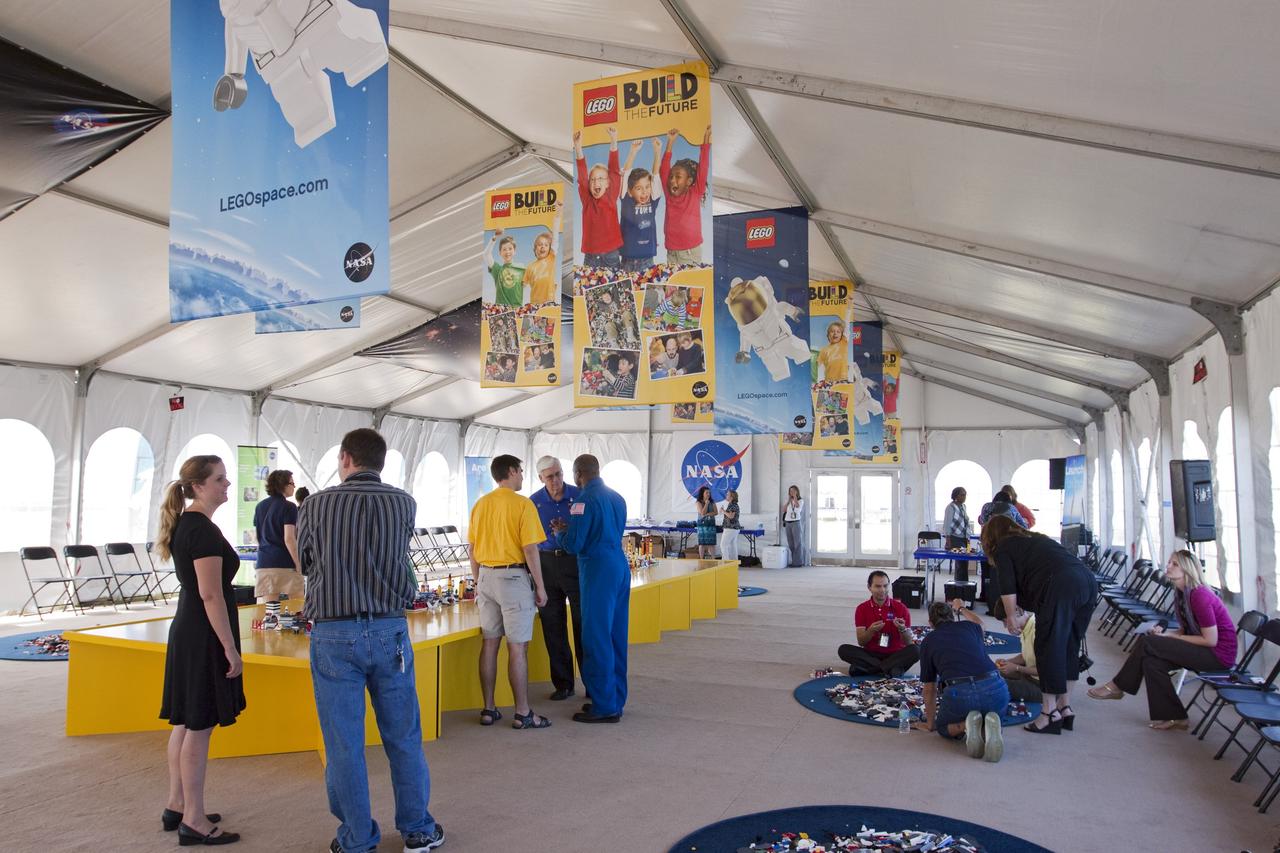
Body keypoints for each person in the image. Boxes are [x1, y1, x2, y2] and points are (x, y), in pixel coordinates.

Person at [298, 429, 444, 853]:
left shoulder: (314, 504)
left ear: (345, 458)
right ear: (381, 461)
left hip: (333, 631)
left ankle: (357, 838)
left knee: (343, 743)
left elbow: (306, 562)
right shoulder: (404, 502)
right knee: (403, 735)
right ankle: (417, 828)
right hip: (388, 628)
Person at [157, 455, 245, 846]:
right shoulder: (202, 531)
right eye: (220, 479)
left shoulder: (188, 524)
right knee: (199, 725)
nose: (227, 485)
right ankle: (193, 819)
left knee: (185, 721)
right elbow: (211, 595)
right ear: (197, 486)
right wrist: (229, 647)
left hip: (188, 629)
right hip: (203, 634)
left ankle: (177, 804)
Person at [1088, 550, 1237, 730]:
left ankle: (1117, 686)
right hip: (1204, 648)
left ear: (1187, 569)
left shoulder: (1200, 595)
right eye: (1169, 562)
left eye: (1175, 564)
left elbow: (1210, 640)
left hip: (1218, 655)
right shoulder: (1181, 594)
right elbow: (1186, 630)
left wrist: (1170, 638)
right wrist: (1166, 635)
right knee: (1152, 662)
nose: (1168, 566)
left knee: (1148, 643)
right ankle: (1175, 717)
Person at [983, 515, 1098, 734]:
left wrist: (1012, 617)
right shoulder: (1036, 539)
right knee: (1069, 646)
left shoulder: (1003, 548)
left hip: (1059, 586)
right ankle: (1065, 708)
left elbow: (1007, 587)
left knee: (1048, 648)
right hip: (1087, 581)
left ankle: (1049, 713)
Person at [467, 454, 551, 730]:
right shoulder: (523, 504)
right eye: (521, 471)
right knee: (517, 647)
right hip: (513, 578)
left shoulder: (481, 504)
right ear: (512, 471)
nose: (523, 476)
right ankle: (523, 712)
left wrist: (478, 582)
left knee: (490, 642)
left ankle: (489, 708)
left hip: (486, 577)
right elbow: (530, 549)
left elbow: (472, 549)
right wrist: (540, 586)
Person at [551, 454, 630, 723]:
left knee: (596, 636)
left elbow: (574, 545)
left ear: (577, 474)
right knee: (616, 635)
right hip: (618, 564)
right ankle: (615, 698)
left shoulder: (581, 501)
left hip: (597, 569)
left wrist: (560, 533)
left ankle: (604, 706)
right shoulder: (617, 497)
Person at [914, 600, 1008, 762]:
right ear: (952, 617)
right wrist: (962, 608)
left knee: (942, 727)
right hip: (996, 687)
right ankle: (986, 726)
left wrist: (930, 724)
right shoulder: (971, 627)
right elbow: (981, 623)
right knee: (993, 710)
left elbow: (930, 689)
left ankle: (966, 725)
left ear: (930, 623)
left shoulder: (928, 641)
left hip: (961, 693)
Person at [529, 456, 584, 702]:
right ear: (541, 478)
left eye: (559, 474)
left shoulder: (579, 495)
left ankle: (592, 683)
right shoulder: (533, 502)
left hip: (575, 561)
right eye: (550, 476)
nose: (556, 480)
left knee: (583, 625)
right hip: (546, 563)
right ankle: (563, 684)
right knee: (553, 625)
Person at [838, 570, 920, 677]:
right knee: (843, 650)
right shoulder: (862, 609)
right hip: (871, 654)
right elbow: (861, 642)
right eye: (878, 586)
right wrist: (871, 631)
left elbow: (908, 643)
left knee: (916, 650)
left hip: (895, 654)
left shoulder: (901, 608)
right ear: (869, 587)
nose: (882, 590)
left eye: (885, 586)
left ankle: (872, 669)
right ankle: (889, 669)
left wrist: (902, 629)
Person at [660, 125, 711, 265]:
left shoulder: (695, 192)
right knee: (672, 281)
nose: (672, 180)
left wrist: (706, 140)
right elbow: (663, 170)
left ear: (688, 181)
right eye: (671, 177)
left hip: (689, 252)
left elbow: (703, 168)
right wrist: (670, 142)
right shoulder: (669, 194)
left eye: (678, 177)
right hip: (671, 252)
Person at [574, 127, 623, 268]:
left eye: (601, 178)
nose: (596, 182)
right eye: (593, 179)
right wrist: (578, 147)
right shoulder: (587, 200)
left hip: (611, 255)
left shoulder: (611, 196)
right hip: (591, 257)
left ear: (608, 183)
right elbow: (582, 176)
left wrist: (613, 140)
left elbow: (614, 169)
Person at [252, 469, 303, 603]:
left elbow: (257, 537)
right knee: (296, 607)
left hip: (264, 563)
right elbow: (289, 538)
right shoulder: (289, 507)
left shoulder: (260, 506)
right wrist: (298, 563)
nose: (294, 486)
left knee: (270, 610)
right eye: (292, 483)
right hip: (285, 564)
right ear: (283, 484)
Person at [619, 138, 662, 273]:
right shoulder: (627, 200)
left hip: (647, 260)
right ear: (630, 191)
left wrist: (657, 152)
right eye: (639, 188)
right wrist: (633, 152)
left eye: (647, 187)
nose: (644, 192)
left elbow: (655, 175)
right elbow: (626, 175)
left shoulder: (653, 200)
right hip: (627, 260)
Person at [521, 201, 563, 305]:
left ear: (550, 248)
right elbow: (522, 286)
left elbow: (555, 236)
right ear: (535, 249)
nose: (543, 247)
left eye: (546, 245)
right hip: (534, 304)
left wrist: (558, 215)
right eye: (539, 244)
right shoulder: (530, 267)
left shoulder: (550, 258)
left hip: (549, 302)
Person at [995, 614, 1044, 703]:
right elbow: (1026, 655)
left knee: (994, 685)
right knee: (992, 673)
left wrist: (1016, 667)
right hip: (1029, 676)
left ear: (1017, 611)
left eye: (1006, 621)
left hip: (1043, 688)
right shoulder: (1026, 626)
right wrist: (1007, 662)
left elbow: (1044, 671)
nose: (1005, 626)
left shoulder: (1038, 632)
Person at [486, 230, 526, 308]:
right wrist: (494, 238)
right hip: (500, 310)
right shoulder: (497, 269)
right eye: (504, 249)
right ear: (500, 253)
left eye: (510, 248)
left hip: (516, 309)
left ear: (515, 251)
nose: (507, 252)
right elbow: (486, 255)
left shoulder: (522, 269)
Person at [782, 485, 805, 567]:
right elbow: (784, 510)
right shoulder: (789, 501)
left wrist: (795, 497)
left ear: (797, 491)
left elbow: (798, 507)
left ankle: (798, 563)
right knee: (791, 544)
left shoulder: (800, 500)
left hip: (796, 523)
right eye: (790, 491)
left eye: (793, 491)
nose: (791, 492)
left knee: (797, 543)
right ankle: (794, 561)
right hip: (788, 523)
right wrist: (788, 501)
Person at [693, 486, 718, 559]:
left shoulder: (712, 502)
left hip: (711, 524)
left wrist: (707, 514)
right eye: (707, 493)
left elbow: (716, 512)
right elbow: (702, 513)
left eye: (709, 493)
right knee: (702, 543)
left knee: (711, 543)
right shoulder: (698, 502)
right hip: (702, 525)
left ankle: (713, 559)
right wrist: (706, 504)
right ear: (702, 493)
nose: (708, 494)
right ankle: (701, 559)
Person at [720, 488, 741, 563]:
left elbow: (731, 516)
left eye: (727, 494)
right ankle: (734, 563)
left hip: (730, 528)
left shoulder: (733, 505)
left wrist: (723, 511)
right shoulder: (732, 505)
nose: (726, 495)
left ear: (731, 497)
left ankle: (726, 563)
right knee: (732, 546)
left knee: (723, 545)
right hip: (733, 528)